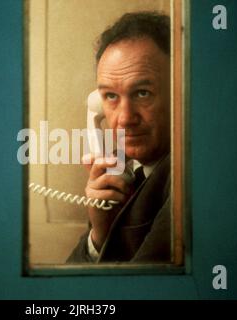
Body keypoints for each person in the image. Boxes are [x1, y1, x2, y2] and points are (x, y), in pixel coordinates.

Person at [67, 11, 171, 263]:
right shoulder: (122, 171)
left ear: (179, 91)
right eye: (111, 96)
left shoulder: (184, 176)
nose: (124, 119)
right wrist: (100, 234)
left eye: (143, 93)